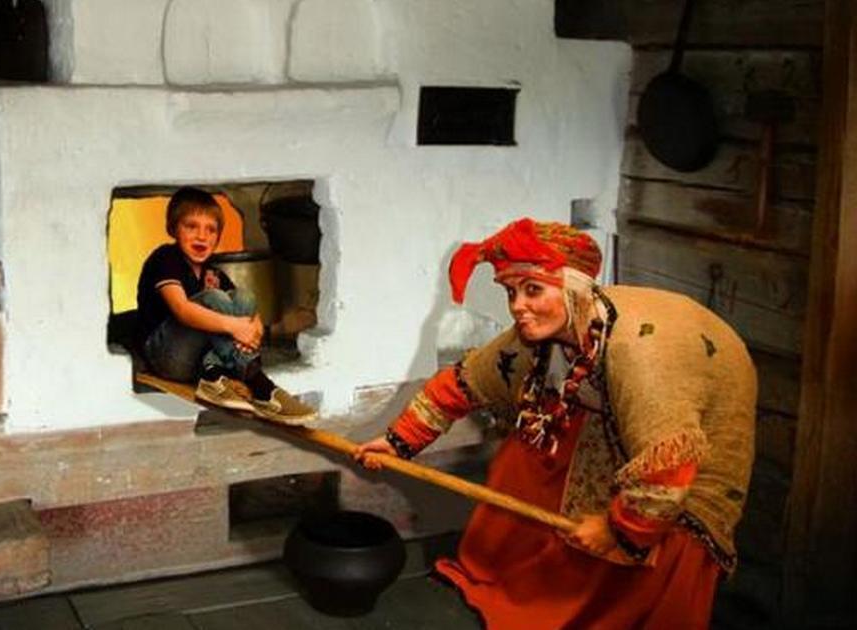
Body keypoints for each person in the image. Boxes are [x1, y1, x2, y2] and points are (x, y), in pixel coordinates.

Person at [353, 218, 755, 629]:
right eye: (511, 292)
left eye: (533, 290)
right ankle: (527, 583)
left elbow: (668, 467)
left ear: (575, 289)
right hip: (631, 405)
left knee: (667, 525)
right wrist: (397, 442)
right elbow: (468, 381)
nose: (517, 306)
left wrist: (615, 530)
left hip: (694, 417)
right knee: (525, 457)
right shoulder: (542, 333)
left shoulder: (639, 357)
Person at [137, 187, 317, 425]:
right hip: (165, 357)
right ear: (173, 229)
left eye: (210, 230)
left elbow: (249, 316)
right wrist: (235, 327)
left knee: (243, 297)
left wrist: (253, 329)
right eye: (191, 227)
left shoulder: (214, 273)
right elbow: (181, 309)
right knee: (216, 298)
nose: (202, 236)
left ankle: (214, 375)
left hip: (198, 361)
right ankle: (258, 383)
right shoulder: (165, 258)